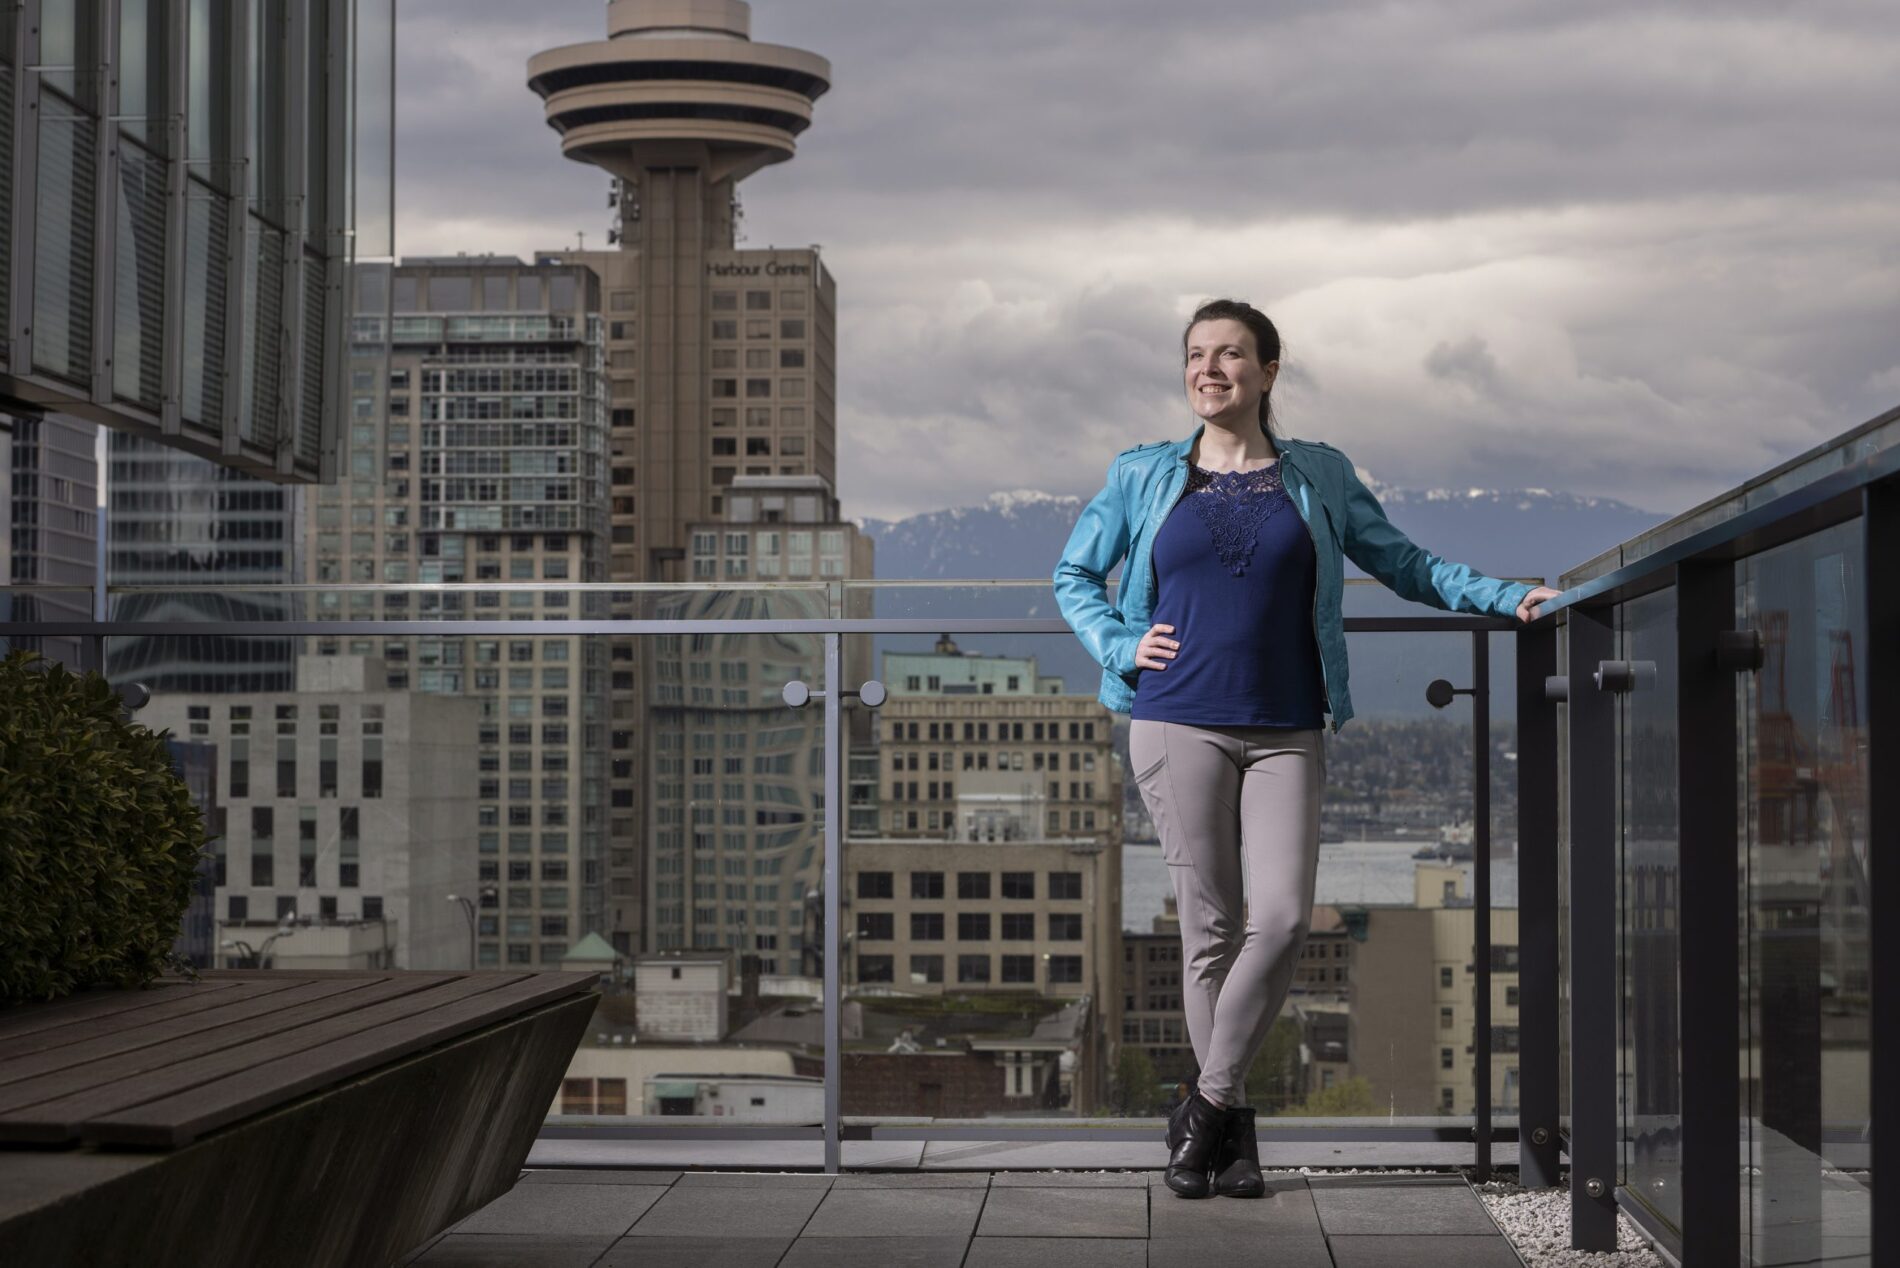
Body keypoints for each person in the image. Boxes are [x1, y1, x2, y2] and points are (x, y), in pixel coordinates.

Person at [1052, 298, 1559, 1199]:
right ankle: (1235, 1140)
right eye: (1196, 355)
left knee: (1281, 920)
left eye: (1231, 354)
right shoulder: (1140, 476)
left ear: (1269, 371)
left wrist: (1501, 595)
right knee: (1208, 933)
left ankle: (1203, 1111)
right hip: (1176, 719)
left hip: (1288, 726)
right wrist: (1121, 645)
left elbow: (1404, 562)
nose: (1210, 369)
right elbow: (1073, 574)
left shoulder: (1316, 474)